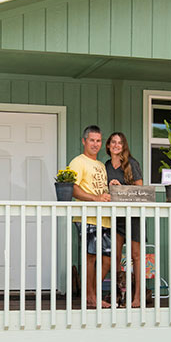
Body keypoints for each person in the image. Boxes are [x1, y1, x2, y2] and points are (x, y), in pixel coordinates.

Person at [68, 125, 112, 309]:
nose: (95, 144)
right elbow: (72, 188)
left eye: (98, 140)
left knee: (107, 259)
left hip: (104, 218)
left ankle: (92, 293)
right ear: (84, 141)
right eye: (92, 140)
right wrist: (95, 198)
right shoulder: (78, 162)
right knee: (91, 258)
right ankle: (90, 297)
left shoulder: (101, 165)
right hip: (87, 217)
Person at [105, 132, 144, 307]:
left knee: (136, 256)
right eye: (113, 142)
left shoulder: (131, 164)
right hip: (116, 217)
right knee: (115, 256)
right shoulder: (106, 166)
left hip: (133, 215)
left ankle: (137, 297)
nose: (116, 145)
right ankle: (117, 295)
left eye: (119, 143)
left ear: (123, 146)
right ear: (108, 145)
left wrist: (121, 189)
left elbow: (140, 190)